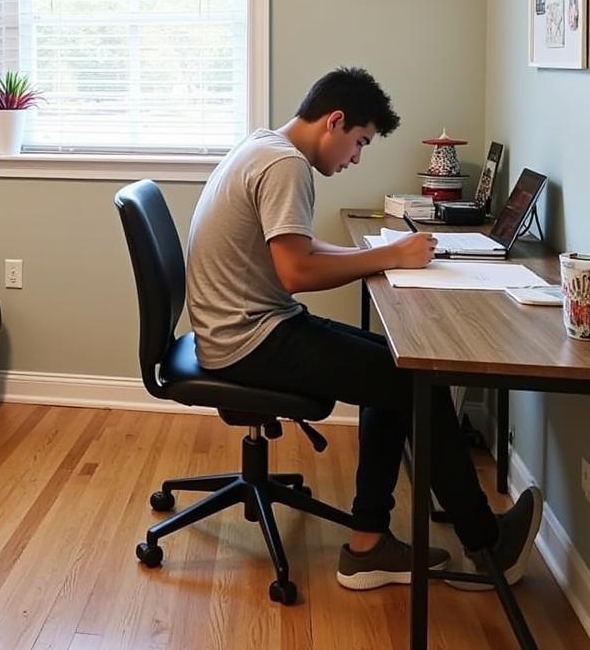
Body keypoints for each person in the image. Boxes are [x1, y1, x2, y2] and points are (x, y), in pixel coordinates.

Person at [185, 66, 542, 591]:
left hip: (239, 326)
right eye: (359, 143)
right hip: (247, 340)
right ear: (334, 121)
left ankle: (370, 544)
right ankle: (485, 547)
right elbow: (296, 273)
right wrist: (393, 253)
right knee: (410, 379)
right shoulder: (286, 167)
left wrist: (369, 255)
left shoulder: (263, 144)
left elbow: (295, 251)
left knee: (395, 367)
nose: (355, 158)